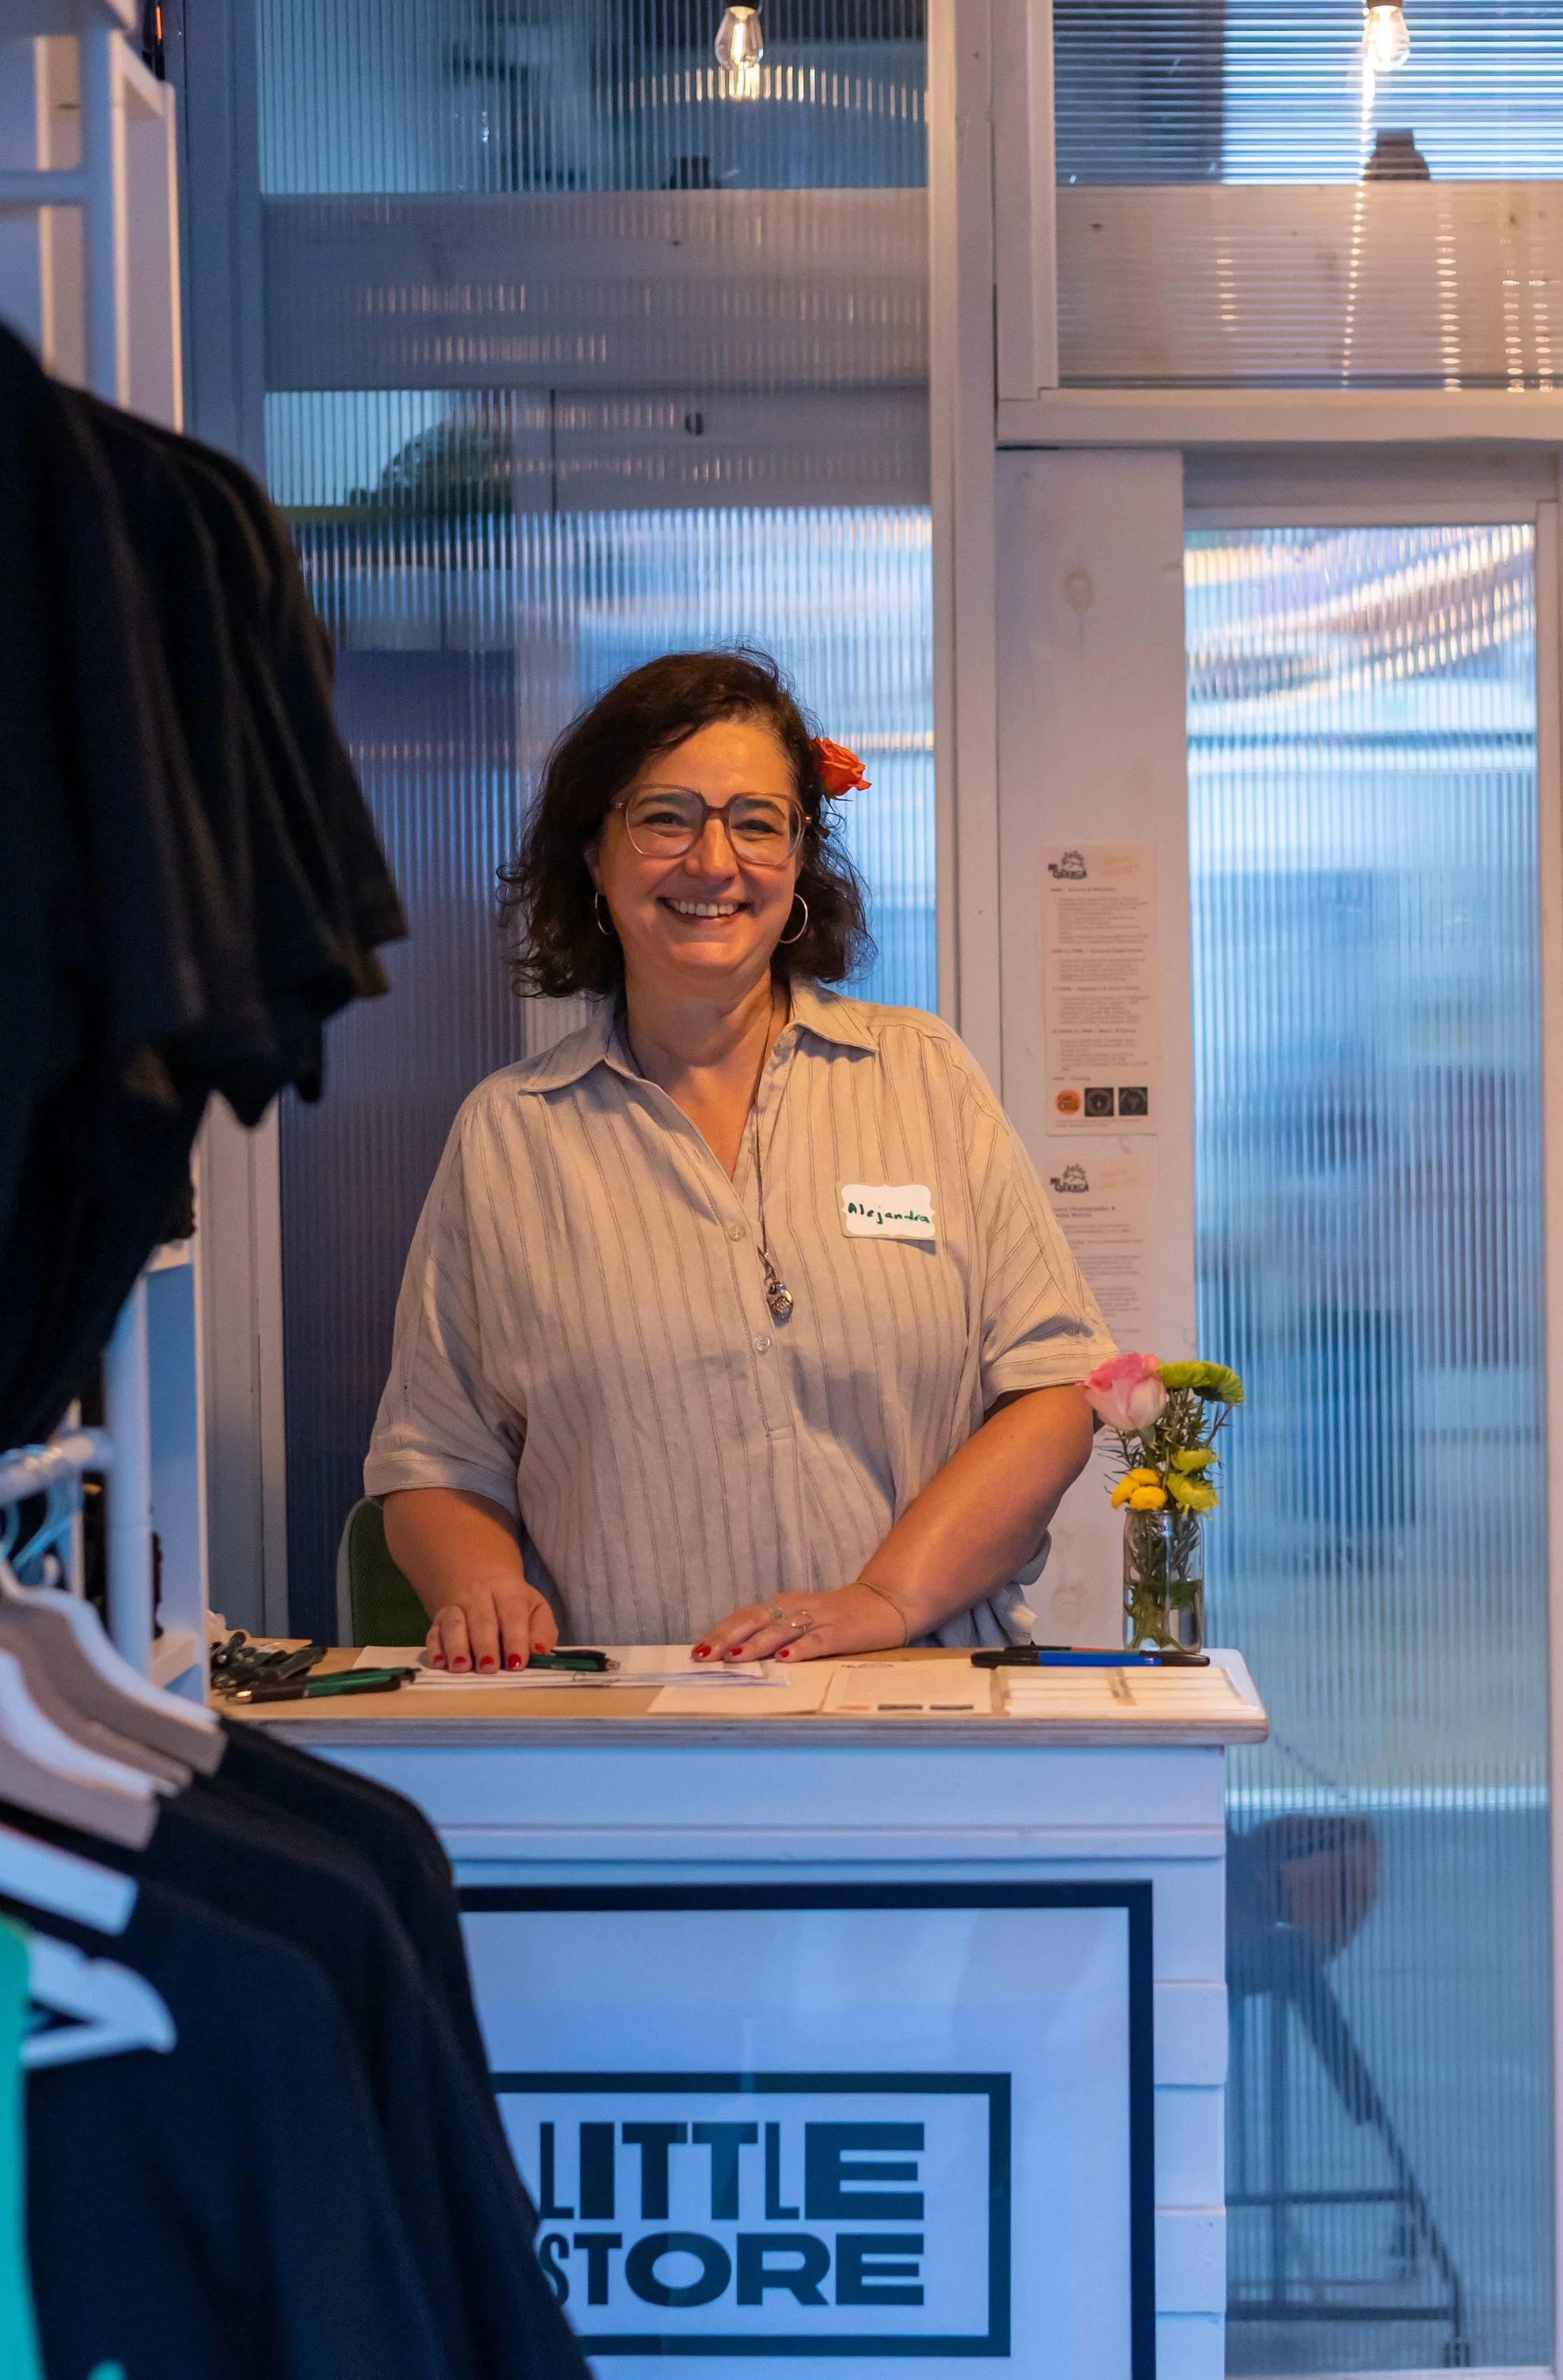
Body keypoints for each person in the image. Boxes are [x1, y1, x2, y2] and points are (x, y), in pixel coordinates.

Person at [366, 649, 1109, 1668]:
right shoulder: (512, 1134)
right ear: (594, 852)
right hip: (634, 1732)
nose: (714, 862)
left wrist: (882, 1600)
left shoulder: (923, 1074)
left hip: (917, 1705)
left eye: (756, 822)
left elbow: (1056, 1386)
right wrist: (481, 1583)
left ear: (800, 860)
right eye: (665, 817)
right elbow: (431, 1455)